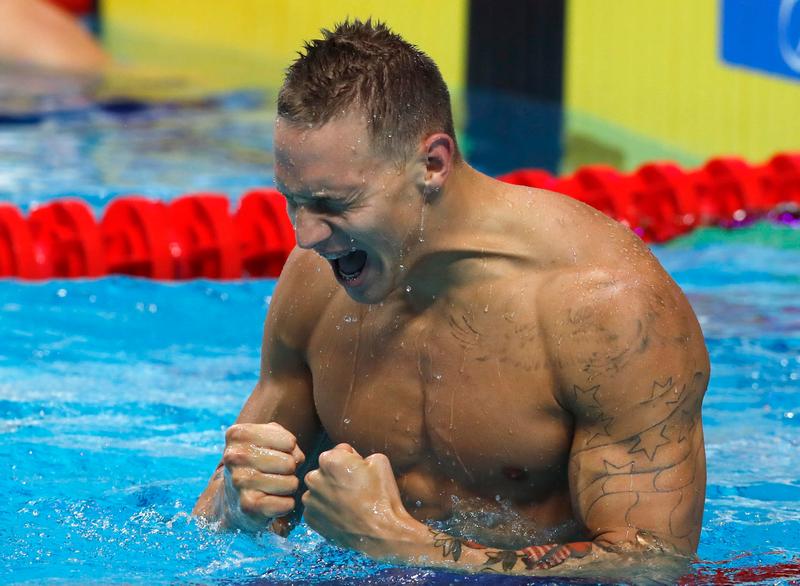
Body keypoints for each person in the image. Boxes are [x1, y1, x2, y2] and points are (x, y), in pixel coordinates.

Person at [194, 19, 709, 578]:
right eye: (292, 201)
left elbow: (653, 565)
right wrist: (235, 505)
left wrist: (407, 547)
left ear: (432, 164)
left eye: (333, 204)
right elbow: (218, 518)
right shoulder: (316, 282)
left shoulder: (606, 310)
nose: (305, 236)